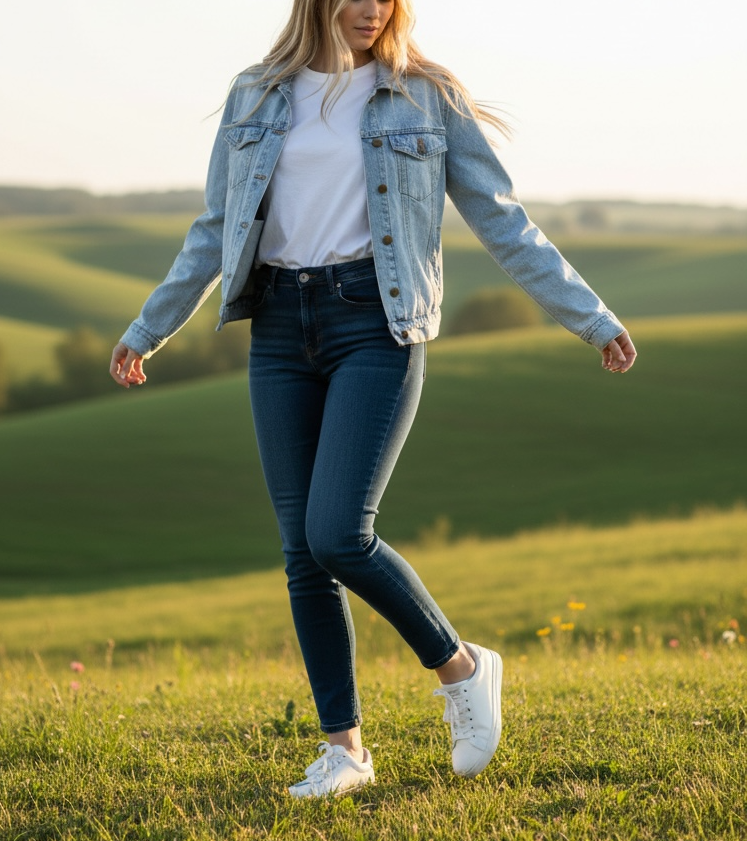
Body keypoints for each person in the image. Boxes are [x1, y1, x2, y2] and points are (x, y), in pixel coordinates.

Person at [110, 0, 637, 798]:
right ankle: (344, 749)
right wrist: (148, 327)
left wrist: (589, 317)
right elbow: (216, 226)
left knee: (338, 534)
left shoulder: (426, 95)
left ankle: (459, 666)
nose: (371, 8)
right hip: (280, 328)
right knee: (301, 551)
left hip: (376, 324)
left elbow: (502, 220)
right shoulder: (254, 93)